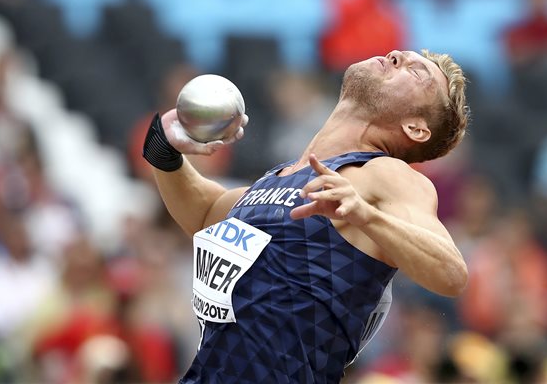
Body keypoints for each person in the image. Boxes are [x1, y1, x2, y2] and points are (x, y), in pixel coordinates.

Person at [142, 49, 470, 383]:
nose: (398, 55)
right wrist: (164, 150)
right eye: (401, 55)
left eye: (417, 73)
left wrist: (365, 214)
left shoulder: (385, 175)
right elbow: (205, 213)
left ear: (415, 128)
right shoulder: (276, 179)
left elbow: (451, 273)